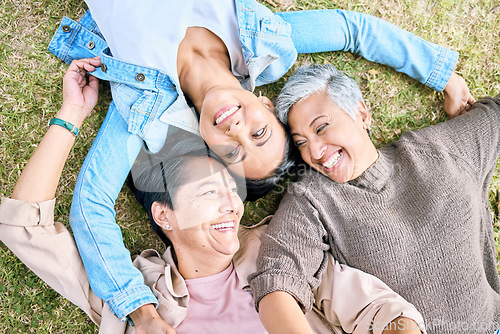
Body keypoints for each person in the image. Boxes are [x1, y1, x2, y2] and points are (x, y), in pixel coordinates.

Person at [47, 0, 475, 326]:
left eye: (232, 152)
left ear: (207, 147)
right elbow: (350, 29)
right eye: (259, 133)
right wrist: (442, 75)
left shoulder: (141, 109)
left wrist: (141, 312)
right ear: (267, 104)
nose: (236, 131)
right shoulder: (265, 41)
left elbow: (90, 204)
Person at [0, 59, 428, 334]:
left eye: (231, 191)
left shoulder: (279, 256)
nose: (231, 204)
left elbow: (381, 310)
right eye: (209, 192)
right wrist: (70, 114)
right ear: (164, 215)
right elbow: (24, 229)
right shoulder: (134, 290)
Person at [249, 64, 500, 334]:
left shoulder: (437, 150)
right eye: (301, 143)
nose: (316, 151)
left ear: (361, 113)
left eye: (321, 128)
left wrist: (448, 81)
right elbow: (277, 281)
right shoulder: (311, 197)